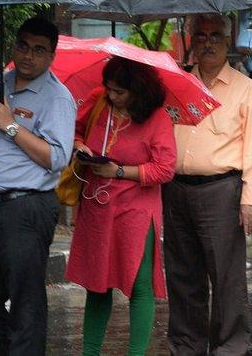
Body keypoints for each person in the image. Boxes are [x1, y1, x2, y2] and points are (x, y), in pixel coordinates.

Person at [0, 17, 77, 355]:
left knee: (25, 304)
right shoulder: (4, 80)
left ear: (51, 56)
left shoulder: (57, 98)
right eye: (23, 45)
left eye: (39, 50)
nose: (28, 55)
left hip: (25, 210)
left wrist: (11, 125)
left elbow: (57, 158)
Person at [166, 14, 252, 355]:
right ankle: (186, 344)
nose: (207, 42)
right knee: (182, 275)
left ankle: (230, 346)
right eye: (201, 35)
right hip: (176, 188)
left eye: (215, 37)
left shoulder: (246, 89)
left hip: (222, 192)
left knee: (226, 276)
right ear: (192, 40)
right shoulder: (178, 83)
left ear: (227, 43)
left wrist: (250, 199)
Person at [67, 57, 177, 355]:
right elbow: (74, 130)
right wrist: (80, 147)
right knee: (96, 283)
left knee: (139, 286)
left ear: (138, 91)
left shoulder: (157, 118)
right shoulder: (98, 101)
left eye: (120, 92)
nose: (112, 95)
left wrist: (119, 171)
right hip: (97, 206)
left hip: (136, 209)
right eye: (109, 88)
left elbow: (164, 169)